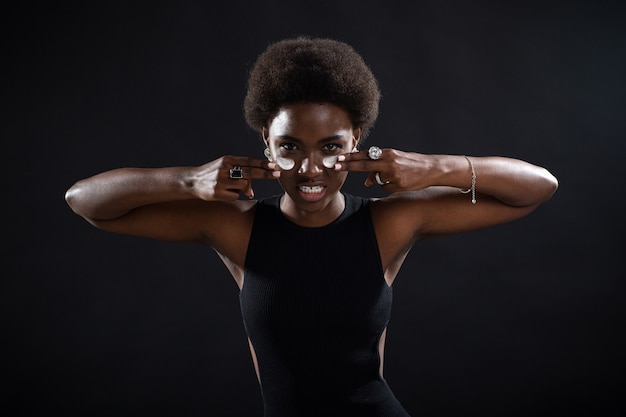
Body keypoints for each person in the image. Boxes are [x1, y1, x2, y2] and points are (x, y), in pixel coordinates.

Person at [65, 37, 558, 417]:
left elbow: (538, 187)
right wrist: (188, 180)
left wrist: (433, 167)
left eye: (330, 146)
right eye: (290, 146)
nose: (310, 168)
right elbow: (86, 201)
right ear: (266, 141)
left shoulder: (390, 221)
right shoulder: (236, 227)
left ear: (357, 138)